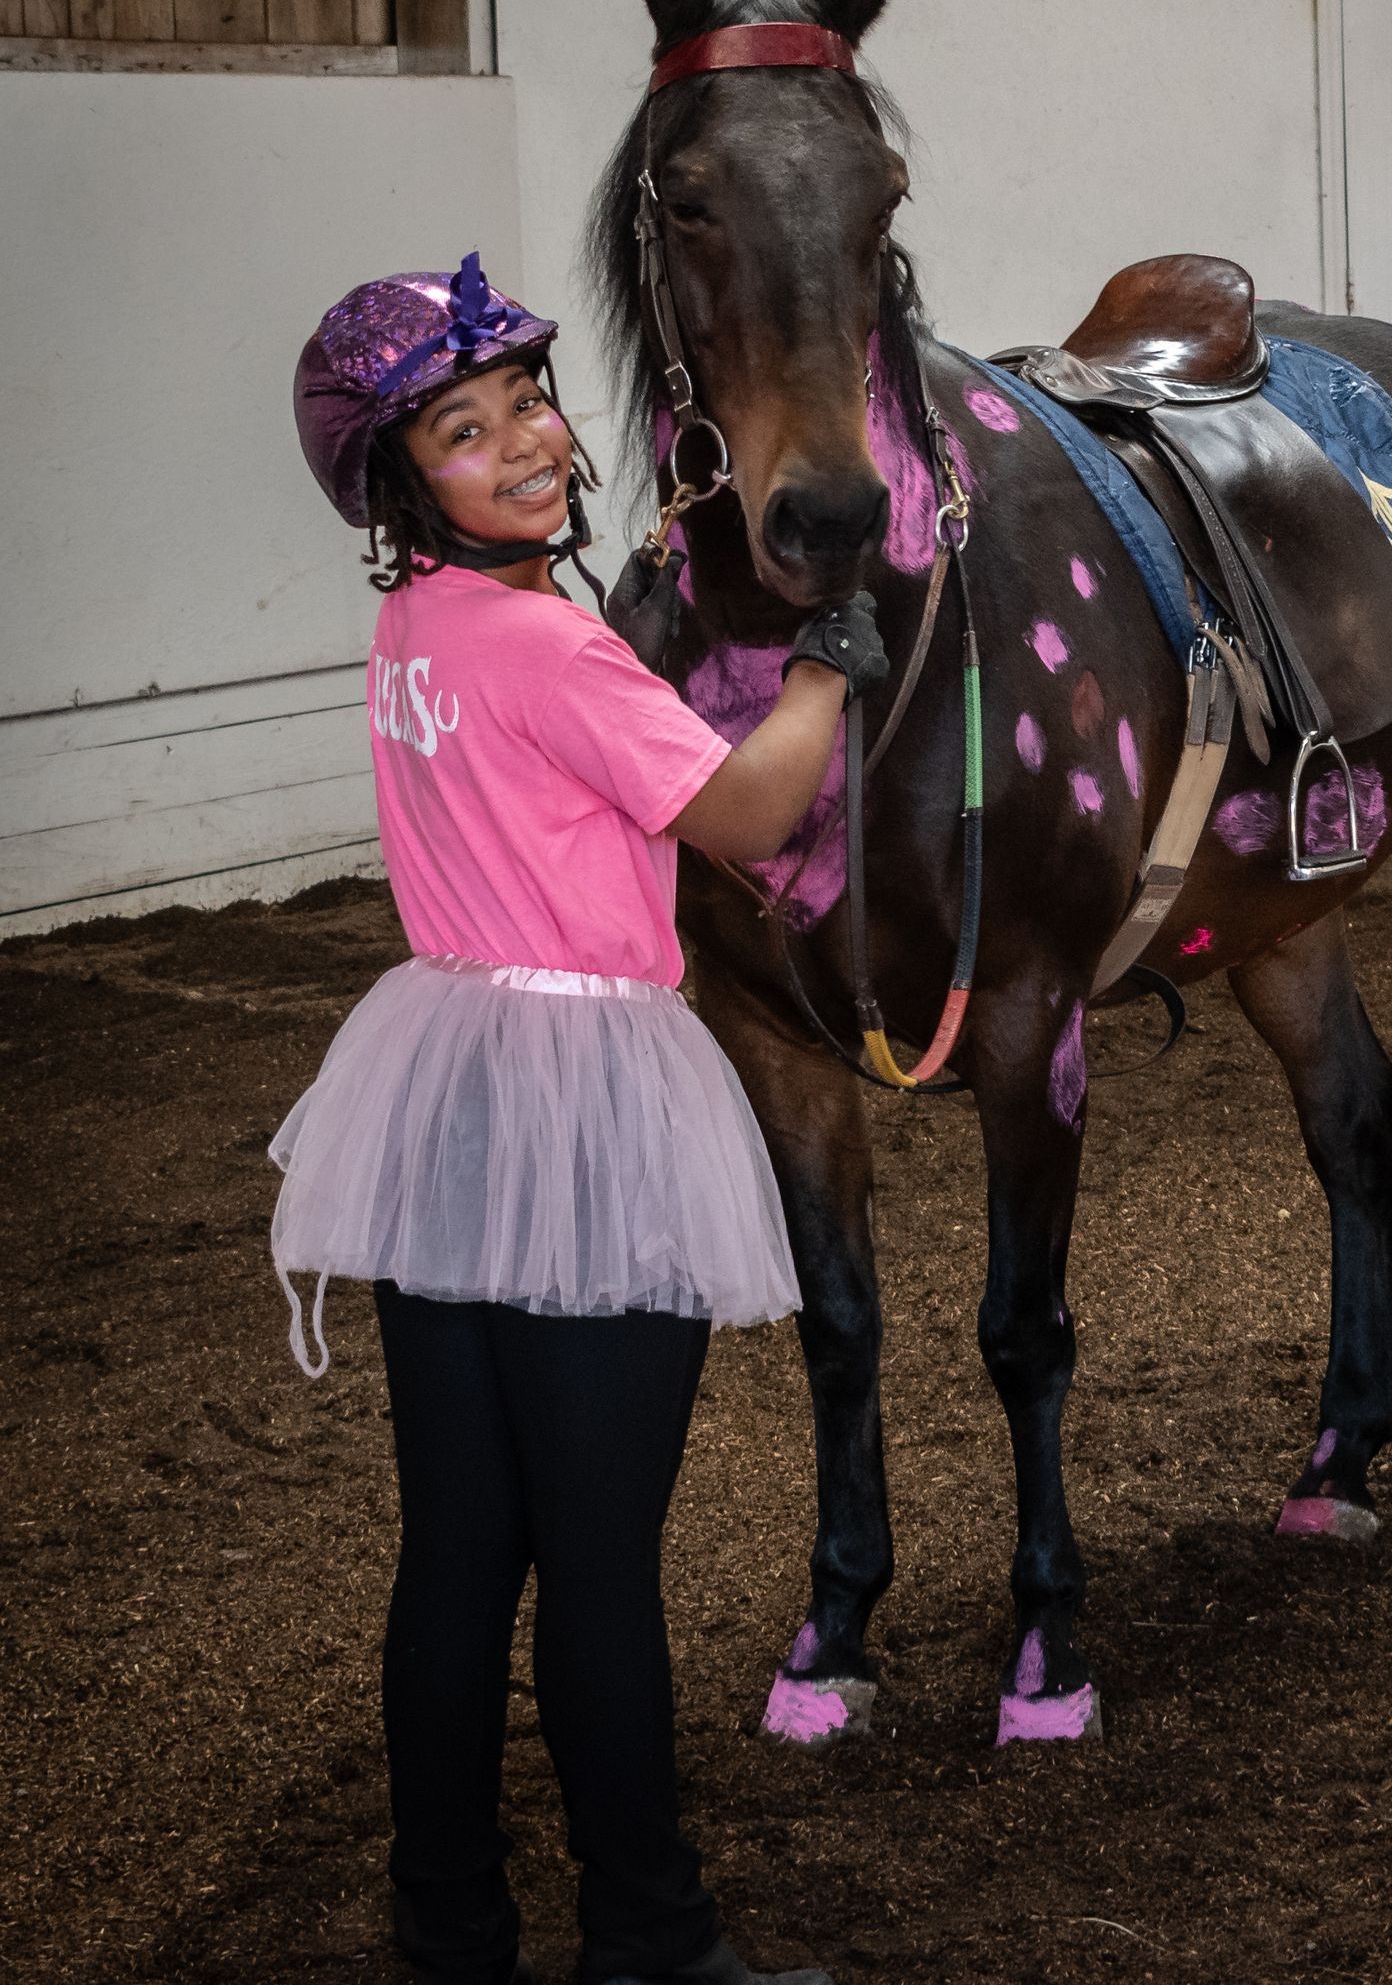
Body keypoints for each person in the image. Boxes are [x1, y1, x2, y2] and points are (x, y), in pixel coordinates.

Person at [273, 256, 882, 1985]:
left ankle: (449, 1929)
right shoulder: (547, 642)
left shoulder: (419, 629)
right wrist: (827, 676)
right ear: (407, 486)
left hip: (448, 1083)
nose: (527, 441)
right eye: (467, 433)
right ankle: (650, 1941)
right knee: (599, 1564)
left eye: (528, 401)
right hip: (583, 1095)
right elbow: (754, 820)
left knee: (462, 1547)